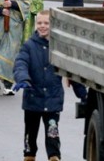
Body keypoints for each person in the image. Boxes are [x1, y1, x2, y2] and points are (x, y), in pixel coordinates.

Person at [12, 10, 64, 161]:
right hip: (33, 99)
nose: (43, 26)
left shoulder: (58, 47)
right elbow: (21, 63)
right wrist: (23, 78)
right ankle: (29, 156)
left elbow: (70, 71)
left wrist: (82, 94)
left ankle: (54, 157)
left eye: (46, 23)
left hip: (52, 100)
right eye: (40, 23)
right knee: (30, 135)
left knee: (52, 135)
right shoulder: (29, 46)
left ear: (52, 25)